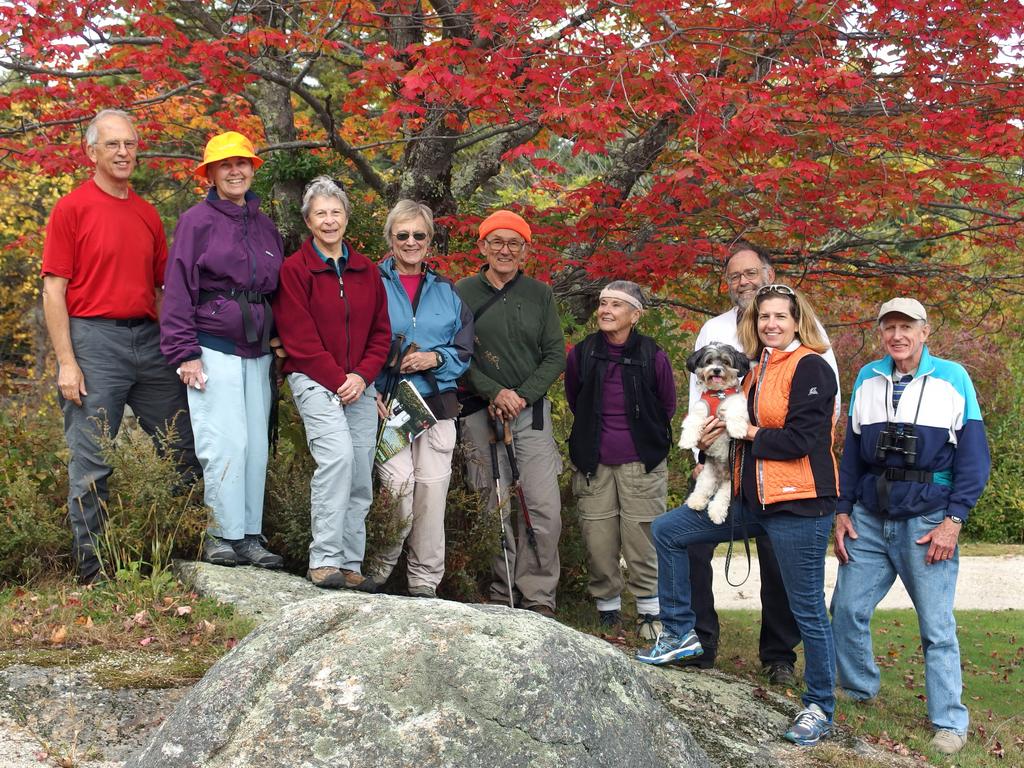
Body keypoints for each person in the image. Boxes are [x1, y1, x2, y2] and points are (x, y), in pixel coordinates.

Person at [639, 284, 839, 748]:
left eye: (780, 317)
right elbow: (723, 421)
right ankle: (679, 632)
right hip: (751, 498)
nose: (771, 323)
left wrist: (746, 431)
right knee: (670, 530)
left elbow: (802, 440)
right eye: (763, 317)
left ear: (797, 321)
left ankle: (820, 706)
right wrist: (707, 443)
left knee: (806, 606)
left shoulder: (811, 366)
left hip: (799, 502)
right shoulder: (753, 367)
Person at [41, 108, 198, 584]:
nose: (124, 152)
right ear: (91, 152)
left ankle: (182, 554)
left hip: (149, 342)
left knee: (184, 449)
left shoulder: (147, 213)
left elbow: (163, 289)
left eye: (130, 143)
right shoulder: (71, 208)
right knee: (92, 462)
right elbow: (53, 290)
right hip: (93, 340)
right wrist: (67, 362)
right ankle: (95, 574)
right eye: (113, 144)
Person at [831, 298, 989, 756]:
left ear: (924, 332)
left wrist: (953, 521)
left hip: (927, 520)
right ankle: (858, 688)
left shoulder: (953, 378)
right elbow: (853, 453)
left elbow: (975, 460)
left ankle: (949, 722)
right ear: (881, 333)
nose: (897, 336)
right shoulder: (867, 377)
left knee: (936, 626)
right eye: (889, 328)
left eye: (906, 327)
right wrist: (843, 510)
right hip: (869, 517)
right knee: (846, 609)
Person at [684, 242, 840, 683]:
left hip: (782, 472)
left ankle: (778, 657)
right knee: (689, 540)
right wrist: (701, 453)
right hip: (722, 459)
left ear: (768, 274)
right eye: (735, 276)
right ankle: (698, 640)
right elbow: (700, 396)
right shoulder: (714, 328)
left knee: (779, 564)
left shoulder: (807, 344)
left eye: (751, 273)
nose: (743, 282)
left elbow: (824, 411)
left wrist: (762, 441)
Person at [161, 131, 285, 569]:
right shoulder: (197, 221)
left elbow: (279, 290)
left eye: (242, 163)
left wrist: (282, 337)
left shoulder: (265, 223)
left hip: (259, 349)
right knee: (223, 443)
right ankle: (220, 533)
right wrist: (184, 352)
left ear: (252, 168)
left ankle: (249, 535)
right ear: (210, 174)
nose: (235, 171)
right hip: (211, 345)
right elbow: (177, 288)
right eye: (225, 165)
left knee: (255, 445)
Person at [273, 176, 391, 590]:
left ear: (346, 218)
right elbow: (298, 337)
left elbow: (381, 333)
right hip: (314, 379)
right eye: (320, 213)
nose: (329, 220)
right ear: (308, 221)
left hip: (360, 385)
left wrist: (361, 377)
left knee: (360, 472)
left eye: (335, 212)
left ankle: (350, 564)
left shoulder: (367, 271)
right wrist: (340, 379)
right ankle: (323, 559)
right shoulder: (295, 270)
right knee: (337, 459)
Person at [456, 210, 566, 617]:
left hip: (529, 413)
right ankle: (502, 595)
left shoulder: (540, 294)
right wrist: (493, 391)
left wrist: (520, 395)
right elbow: (456, 354)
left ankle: (538, 597)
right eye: (496, 242)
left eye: (514, 243)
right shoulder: (462, 291)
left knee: (541, 506)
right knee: (492, 503)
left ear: (525, 250)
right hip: (479, 413)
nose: (505, 250)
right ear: (482, 246)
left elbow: (555, 354)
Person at [371, 200, 473, 598]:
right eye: (403, 235)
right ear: (390, 238)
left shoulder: (448, 291)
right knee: (397, 485)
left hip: (437, 402)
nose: (411, 242)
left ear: (430, 240)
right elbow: (354, 340)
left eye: (419, 235)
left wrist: (436, 358)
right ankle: (379, 570)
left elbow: (464, 351)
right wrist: (370, 388)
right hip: (389, 402)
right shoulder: (371, 281)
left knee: (432, 492)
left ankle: (424, 582)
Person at [565, 281, 675, 638]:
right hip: (594, 463)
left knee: (642, 541)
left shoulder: (652, 355)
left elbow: (666, 406)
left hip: (641, 463)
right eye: (602, 303)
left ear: (635, 315)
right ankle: (608, 611)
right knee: (599, 541)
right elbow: (575, 398)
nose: (606, 310)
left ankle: (648, 613)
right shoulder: (582, 354)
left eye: (616, 305)